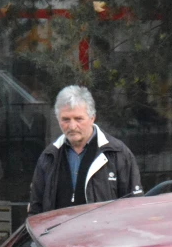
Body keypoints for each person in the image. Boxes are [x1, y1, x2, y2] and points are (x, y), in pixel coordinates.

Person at [27, 85, 143, 216]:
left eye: (78, 119)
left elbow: (134, 207)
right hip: (60, 235)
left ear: (92, 117)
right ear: (58, 119)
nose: (72, 126)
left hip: (103, 235)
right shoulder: (49, 157)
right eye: (65, 119)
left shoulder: (117, 153)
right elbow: (35, 212)